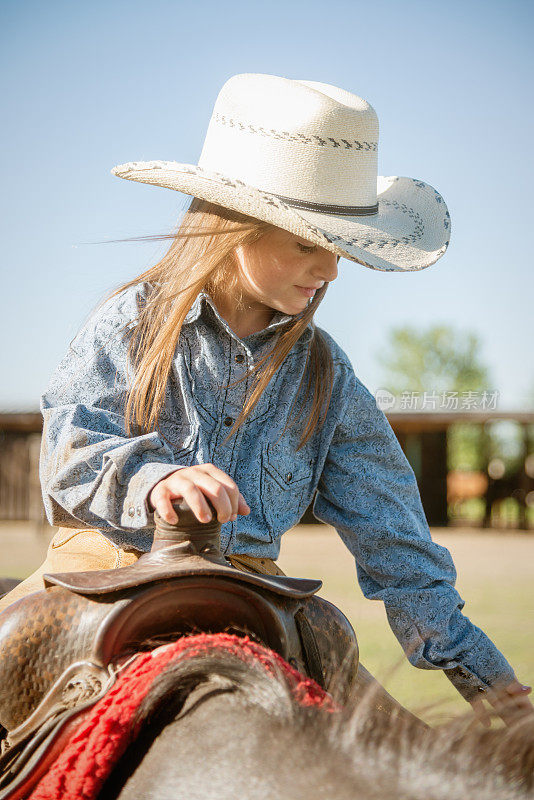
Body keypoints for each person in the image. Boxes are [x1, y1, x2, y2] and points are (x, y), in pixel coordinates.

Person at [1, 73, 531, 725]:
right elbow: (72, 447)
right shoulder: (133, 323)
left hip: (259, 603)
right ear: (234, 228)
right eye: (309, 242)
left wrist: (489, 684)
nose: (332, 270)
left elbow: (397, 542)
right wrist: (154, 479)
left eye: (339, 247)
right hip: (104, 581)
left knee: (397, 754)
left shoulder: (326, 376)